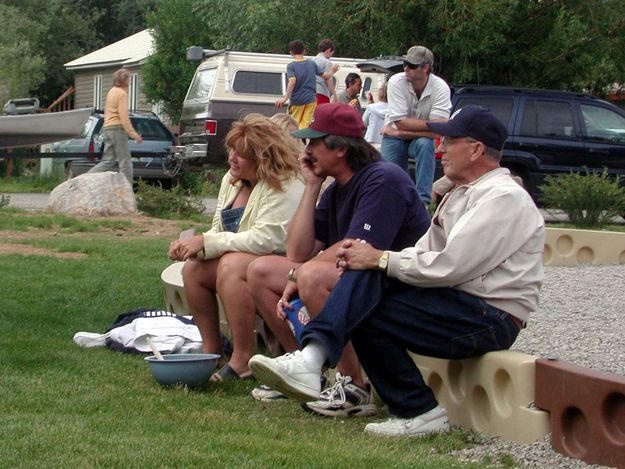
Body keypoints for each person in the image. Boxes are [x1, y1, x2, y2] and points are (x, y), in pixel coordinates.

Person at [249, 106, 545, 437]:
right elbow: (420, 254)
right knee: (365, 279)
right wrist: (376, 260)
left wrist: (381, 259)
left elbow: (449, 267)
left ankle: (319, 361)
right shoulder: (464, 193)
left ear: (476, 149)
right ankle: (410, 407)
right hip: (458, 304)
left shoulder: (502, 197)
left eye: (448, 141)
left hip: (489, 318)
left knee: (370, 266)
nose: (439, 149)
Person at [246, 103, 430, 414]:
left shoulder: (383, 178)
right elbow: (297, 252)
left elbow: (356, 246)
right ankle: (306, 372)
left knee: (311, 277)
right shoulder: (336, 188)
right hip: (361, 278)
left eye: (315, 142)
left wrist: (298, 274)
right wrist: (312, 186)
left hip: (399, 285)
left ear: (341, 148)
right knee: (261, 271)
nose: (307, 149)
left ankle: (353, 386)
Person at [167, 113, 305, 380]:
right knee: (193, 270)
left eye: (241, 154)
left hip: (284, 261)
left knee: (231, 266)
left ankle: (243, 357)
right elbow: (219, 229)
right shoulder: (231, 181)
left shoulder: (285, 182)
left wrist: (207, 242)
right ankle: (212, 352)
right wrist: (192, 246)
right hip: (244, 256)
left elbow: (268, 239)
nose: (232, 158)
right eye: (231, 150)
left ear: (262, 157)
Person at [381, 46, 451, 204]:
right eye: (405, 63)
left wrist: (400, 132)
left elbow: (439, 130)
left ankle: (422, 203)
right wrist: (430, 128)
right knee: (389, 177)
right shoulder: (396, 81)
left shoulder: (441, 88)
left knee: (425, 145)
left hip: (396, 134)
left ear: (426, 68)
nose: (406, 68)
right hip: (395, 137)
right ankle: (393, 204)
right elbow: (400, 122)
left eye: (412, 65)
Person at [88, 68, 143, 183]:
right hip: (117, 128)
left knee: (107, 161)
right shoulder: (122, 94)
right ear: (124, 81)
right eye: (128, 78)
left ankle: (86, 178)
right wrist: (134, 135)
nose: (130, 81)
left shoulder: (111, 91)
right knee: (125, 161)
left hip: (107, 127)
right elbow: (123, 117)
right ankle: (127, 188)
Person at [276, 40, 332, 129]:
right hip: (311, 100)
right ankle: (304, 142)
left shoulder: (291, 66)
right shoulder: (311, 63)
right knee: (306, 126)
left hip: (297, 100)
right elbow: (326, 76)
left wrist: (285, 98)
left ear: (291, 52)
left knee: (293, 125)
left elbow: (292, 81)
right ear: (304, 51)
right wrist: (333, 70)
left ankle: (294, 142)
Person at [312, 39, 340, 104]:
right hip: (321, 93)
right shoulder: (327, 62)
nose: (330, 56)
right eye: (331, 54)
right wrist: (335, 96)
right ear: (328, 50)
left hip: (310, 93)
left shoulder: (311, 61)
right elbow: (328, 80)